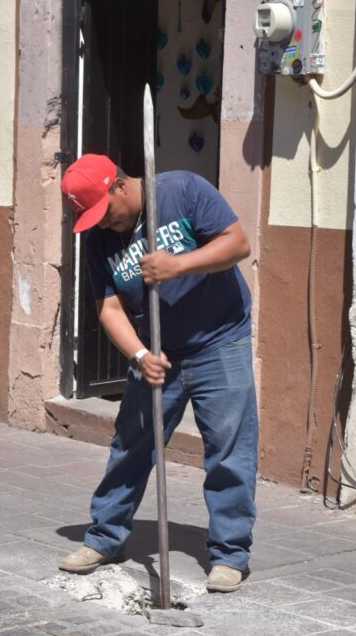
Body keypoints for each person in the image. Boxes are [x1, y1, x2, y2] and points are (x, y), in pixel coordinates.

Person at [57, 153, 258, 593]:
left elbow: (237, 243)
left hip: (220, 341)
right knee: (131, 445)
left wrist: (178, 264)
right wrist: (138, 355)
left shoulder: (183, 190)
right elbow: (107, 306)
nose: (102, 224)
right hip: (157, 352)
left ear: (120, 187)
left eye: (104, 212)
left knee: (228, 451)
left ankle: (229, 555)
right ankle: (106, 537)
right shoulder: (99, 239)